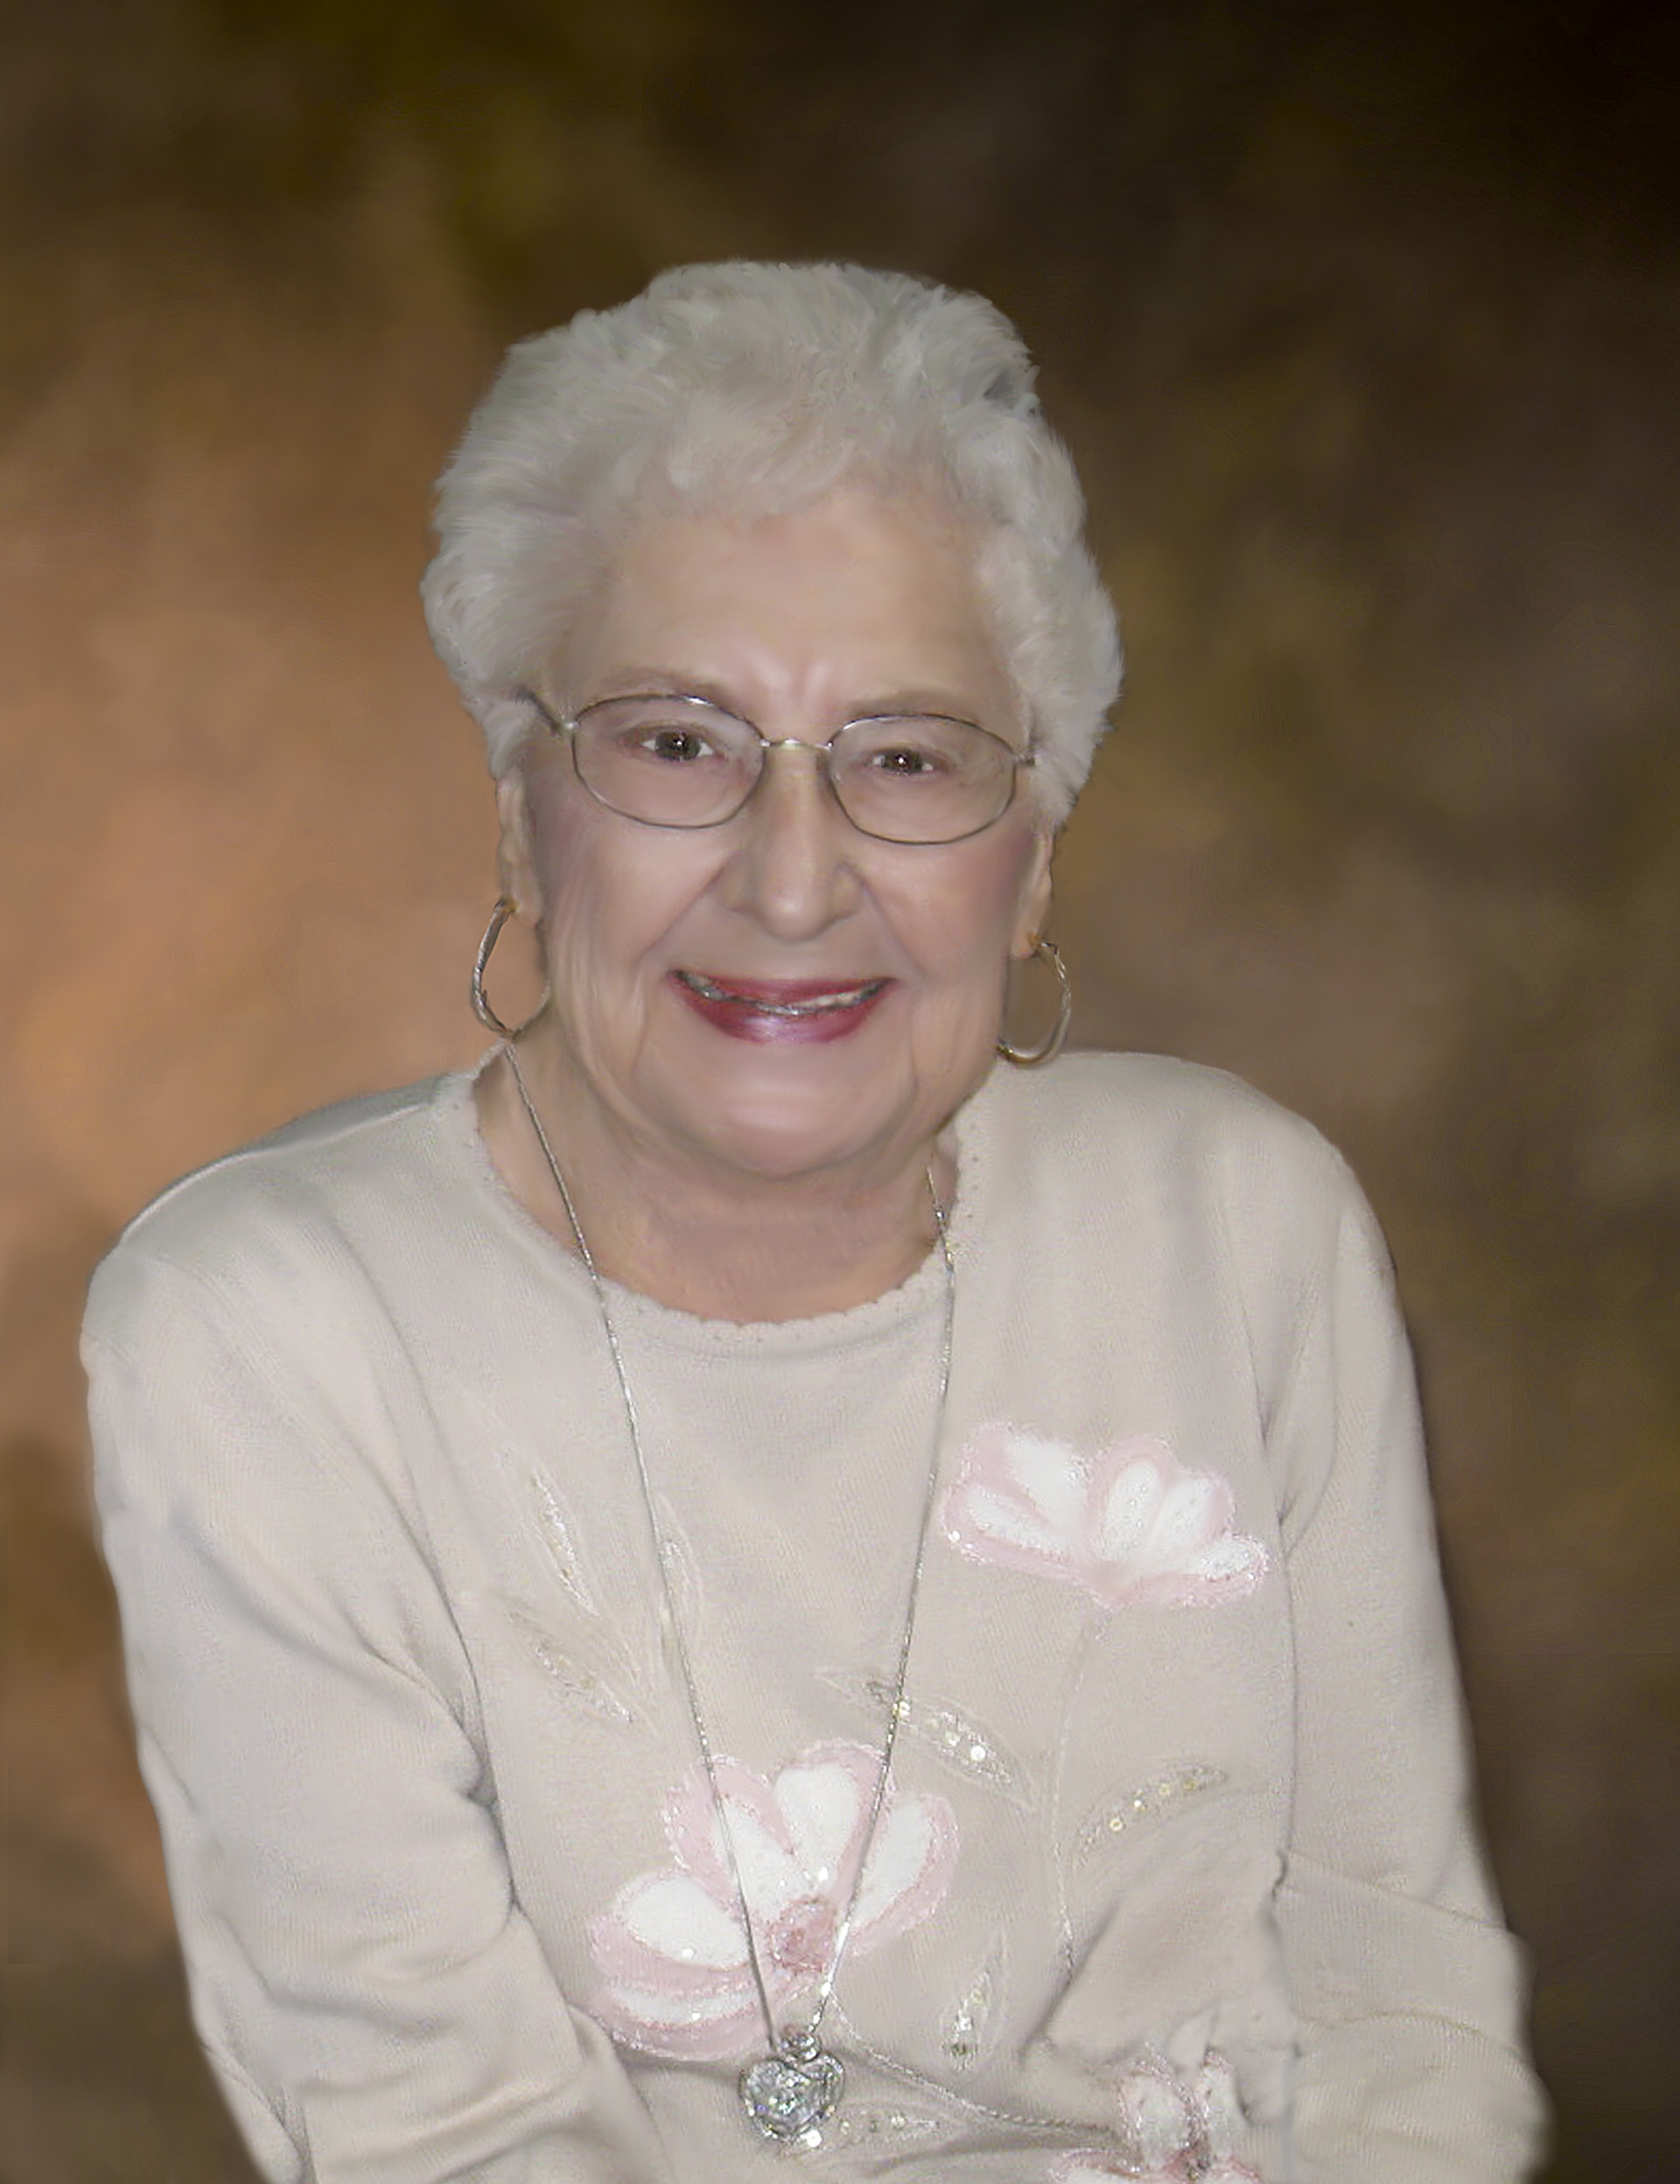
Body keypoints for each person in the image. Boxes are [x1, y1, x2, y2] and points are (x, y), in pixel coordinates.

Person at [84, 262, 1546, 2183]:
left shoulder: (1240, 1226)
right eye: (678, 743)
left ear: (1033, 863)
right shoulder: (266, 1328)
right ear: (524, 819)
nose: (793, 883)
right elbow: (442, 2136)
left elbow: (1400, 2007)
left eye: (908, 757)